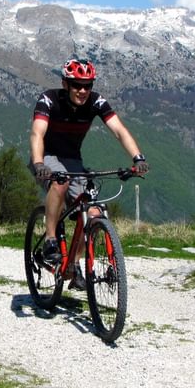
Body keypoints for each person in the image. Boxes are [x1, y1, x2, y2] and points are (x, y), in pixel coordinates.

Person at [29, 59, 148, 287]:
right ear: (65, 84)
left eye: (87, 85)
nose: (82, 91)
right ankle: (51, 240)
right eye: (76, 85)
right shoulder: (49, 99)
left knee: (92, 212)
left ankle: (73, 267)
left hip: (73, 160)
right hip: (47, 156)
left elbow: (119, 130)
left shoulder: (96, 102)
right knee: (60, 184)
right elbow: (37, 133)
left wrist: (138, 158)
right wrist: (38, 163)